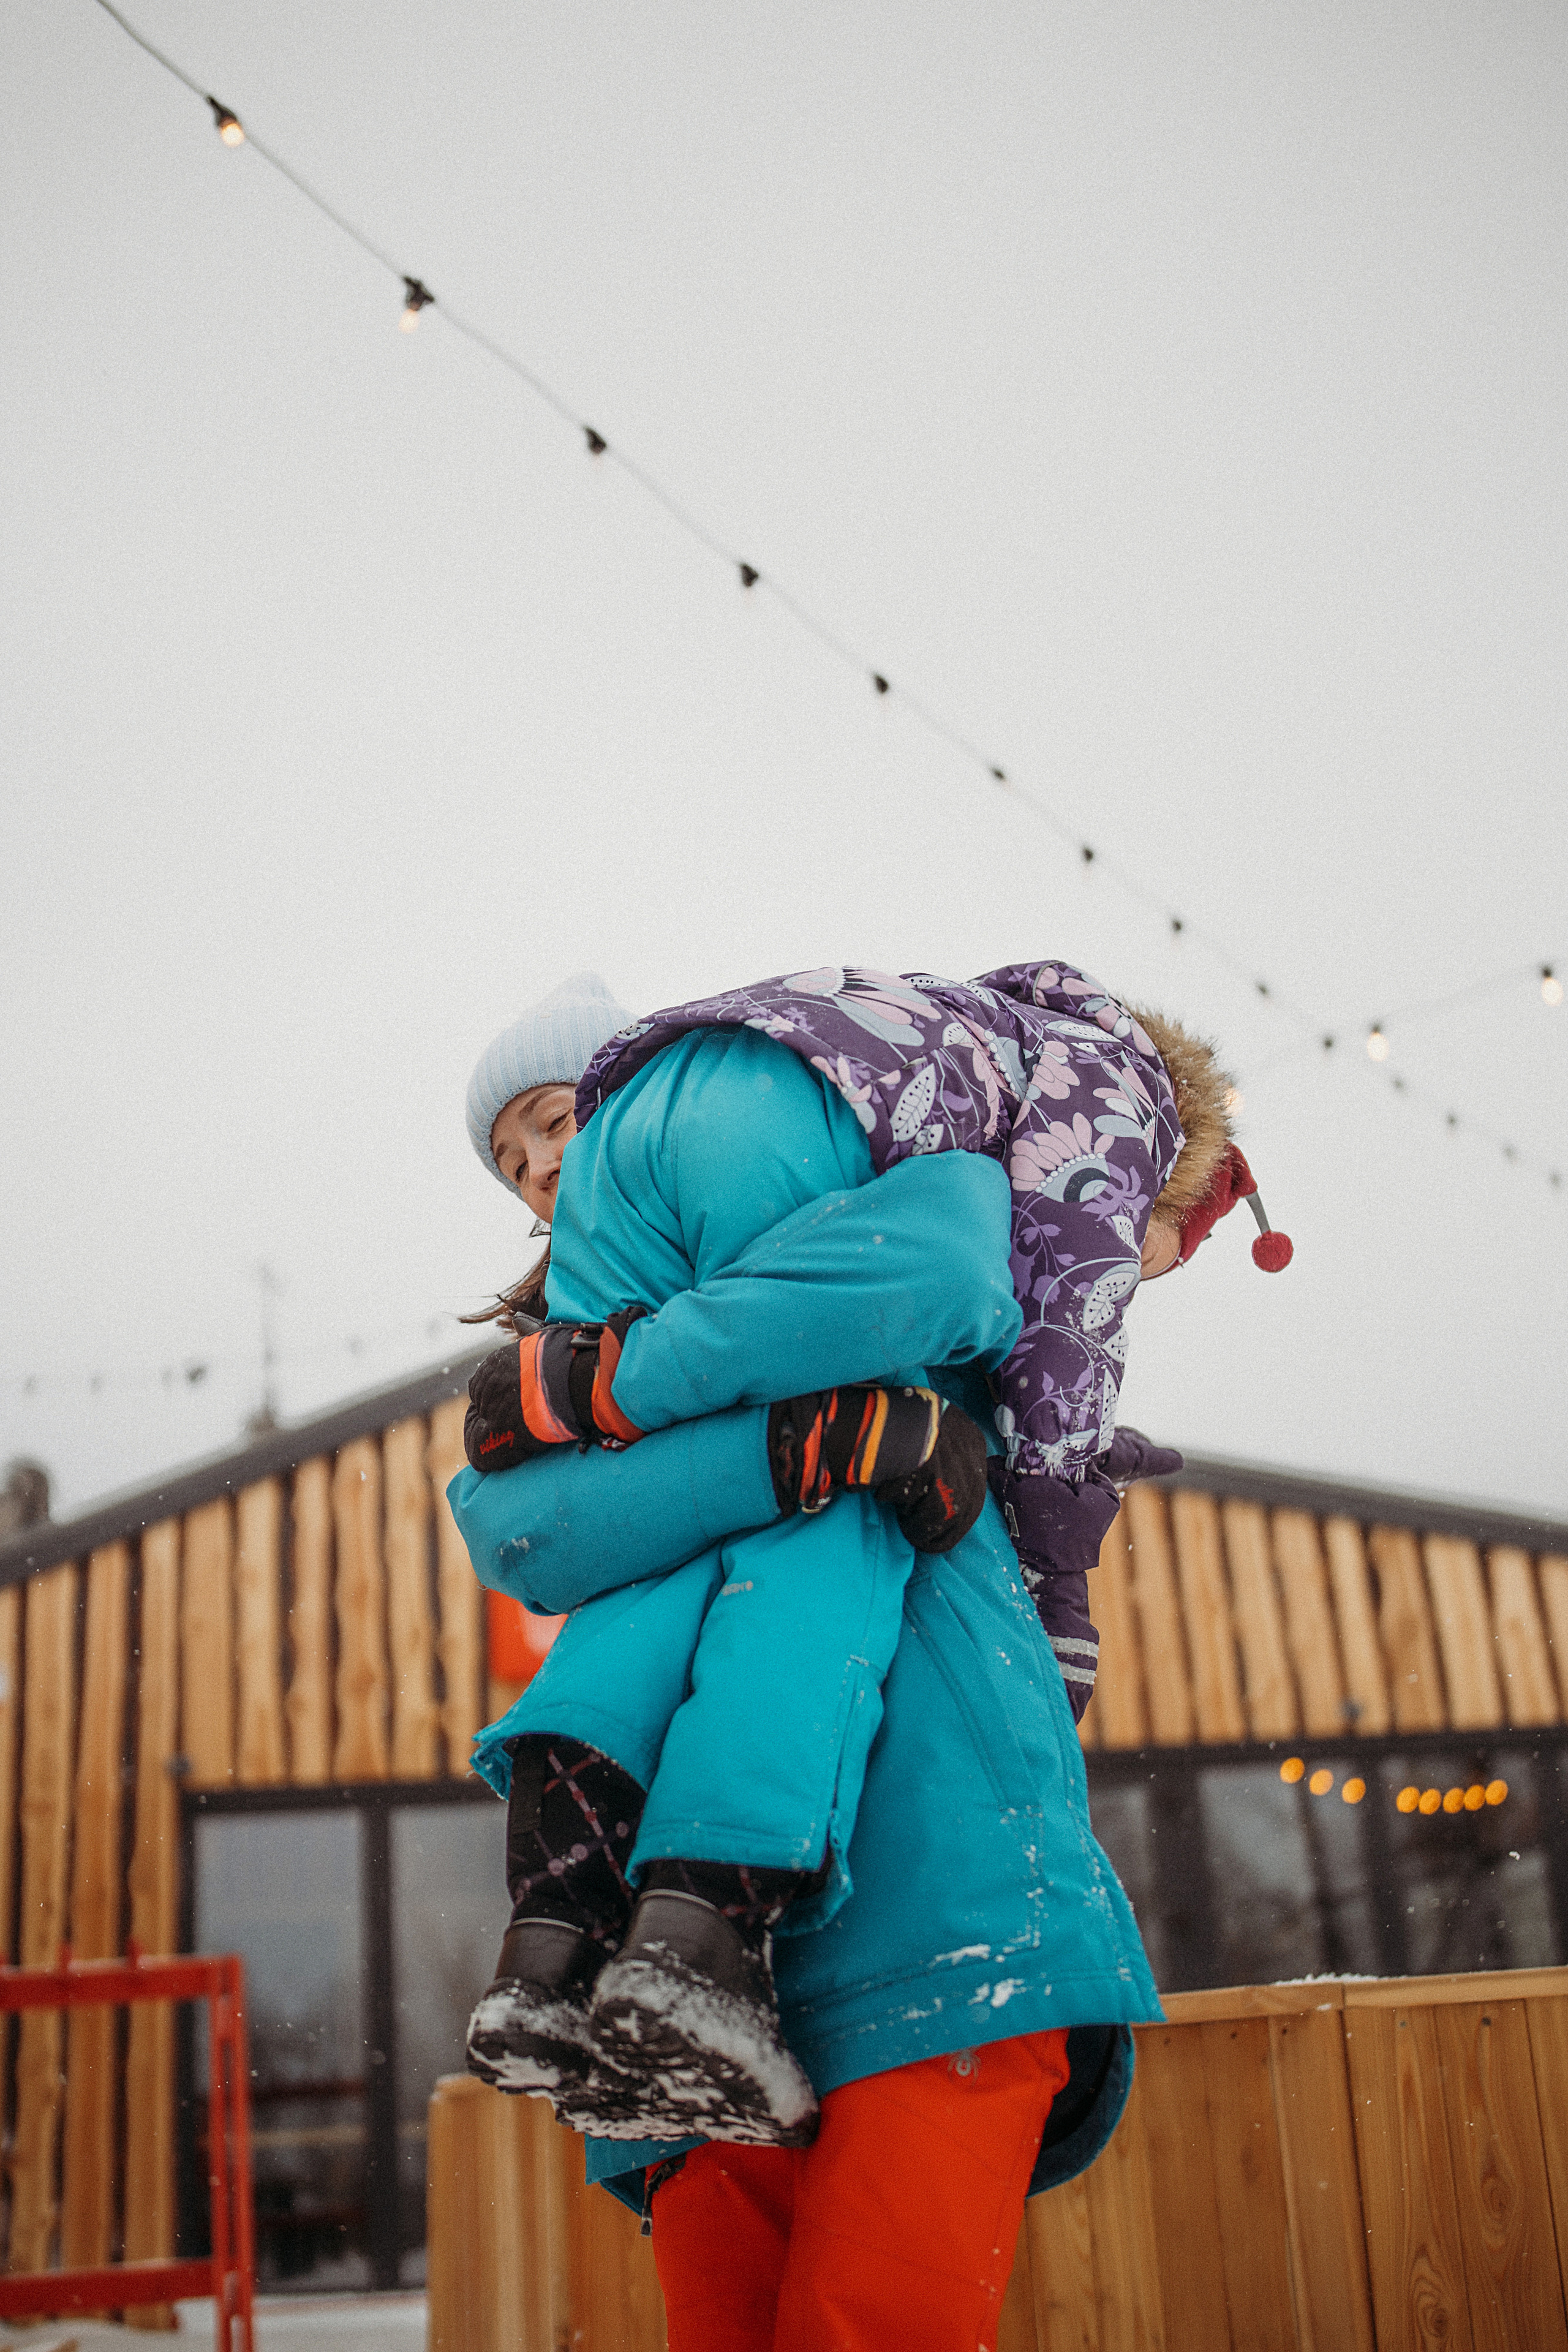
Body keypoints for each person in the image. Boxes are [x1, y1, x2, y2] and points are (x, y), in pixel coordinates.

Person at [447, 963, 1290, 2350]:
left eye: (557, 1126)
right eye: (514, 1163)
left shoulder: (935, 1293)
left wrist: (681, 1418)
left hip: (928, 1892)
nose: (542, 1173)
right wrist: (791, 1447)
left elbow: (932, 1267)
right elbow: (515, 1529)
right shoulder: (588, 1340)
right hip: (686, 1968)